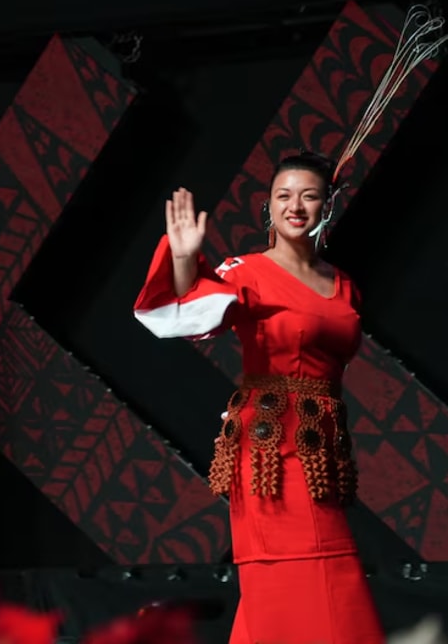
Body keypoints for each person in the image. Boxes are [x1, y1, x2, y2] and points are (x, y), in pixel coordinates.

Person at [133, 153, 385, 644]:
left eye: (309, 196)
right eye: (283, 196)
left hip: (320, 452)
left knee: (292, 586)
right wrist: (184, 258)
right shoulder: (248, 271)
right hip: (270, 450)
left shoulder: (344, 285)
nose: (296, 206)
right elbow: (188, 313)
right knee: (307, 574)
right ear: (267, 207)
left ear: (327, 206)